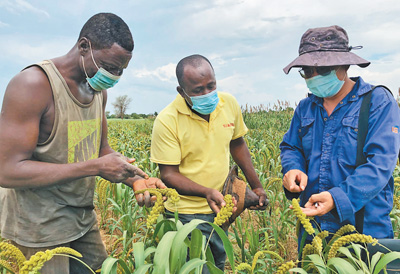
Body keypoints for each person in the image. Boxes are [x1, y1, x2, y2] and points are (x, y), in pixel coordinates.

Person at [0, 13, 164, 274]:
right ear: (84, 46)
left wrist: (135, 179)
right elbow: (7, 170)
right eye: (109, 66)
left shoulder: (97, 89)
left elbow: (102, 151)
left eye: (121, 70)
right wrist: (95, 167)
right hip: (39, 225)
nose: (115, 75)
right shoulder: (33, 85)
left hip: (82, 218)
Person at [280, 25, 400, 246]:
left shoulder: (377, 102)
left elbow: (380, 164)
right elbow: (291, 147)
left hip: (363, 229)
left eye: (323, 70)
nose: (314, 77)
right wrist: (293, 169)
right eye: (307, 71)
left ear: (344, 66)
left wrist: (337, 198)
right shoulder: (306, 108)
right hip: (313, 228)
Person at [150, 54, 267, 272]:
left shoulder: (228, 103)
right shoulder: (167, 120)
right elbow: (168, 174)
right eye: (197, 90)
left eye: (211, 86)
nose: (207, 94)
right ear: (181, 91)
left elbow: (238, 144)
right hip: (185, 215)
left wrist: (257, 185)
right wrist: (206, 191)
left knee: (215, 266)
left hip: (221, 209)